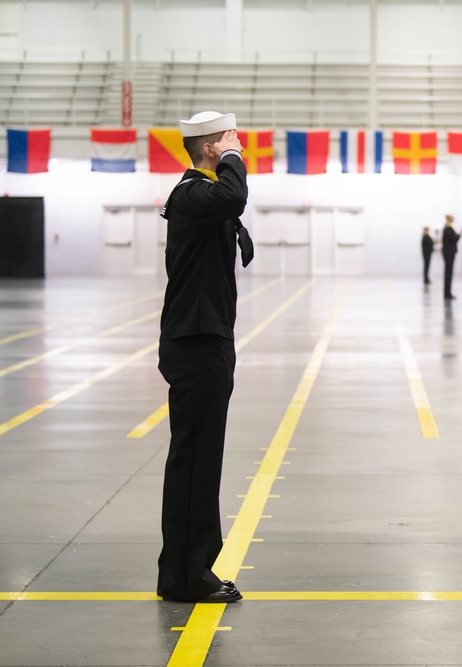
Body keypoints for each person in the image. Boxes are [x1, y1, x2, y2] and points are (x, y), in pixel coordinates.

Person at [157, 110, 254, 604]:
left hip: (203, 340)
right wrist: (232, 156)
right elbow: (234, 195)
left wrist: (227, 155)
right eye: (230, 139)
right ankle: (188, 575)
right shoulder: (192, 193)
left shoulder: (200, 197)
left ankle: (183, 570)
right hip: (197, 344)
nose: (239, 145)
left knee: (196, 459)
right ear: (211, 147)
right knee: (196, 461)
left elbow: (231, 205)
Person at [441, 214, 462, 299]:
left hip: (448, 253)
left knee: (449, 273)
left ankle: (447, 292)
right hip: (449, 253)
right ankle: (447, 293)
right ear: (449, 219)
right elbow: (455, 239)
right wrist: (461, 232)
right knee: (448, 273)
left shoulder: (448, 227)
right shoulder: (448, 228)